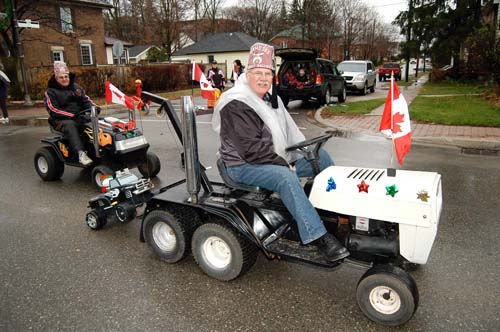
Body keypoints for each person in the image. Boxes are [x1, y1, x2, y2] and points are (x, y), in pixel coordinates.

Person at [212, 43, 349, 262]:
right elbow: (251, 150)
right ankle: (317, 236)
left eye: (267, 73)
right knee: (285, 177)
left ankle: (335, 212)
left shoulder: (268, 98)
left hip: (271, 158)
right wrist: (286, 164)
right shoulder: (235, 103)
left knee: (320, 158)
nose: (263, 78)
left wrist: (305, 152)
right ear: (247, 75)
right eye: (258, 73)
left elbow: (289, 133)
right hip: (242, 165)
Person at [44, 61, 94, 166]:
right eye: (61, 77)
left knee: (95, 120)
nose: (64, 79)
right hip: (59, 120)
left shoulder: (76, 88)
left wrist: (93, 109)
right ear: (56, 78)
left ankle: (101, 149)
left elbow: (86, 100)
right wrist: (71, 115)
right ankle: (81, 154)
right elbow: (53, 109)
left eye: (66, 76)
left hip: (78, 116)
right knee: (70, 125)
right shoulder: (50, 92)